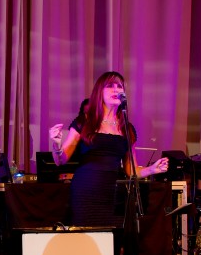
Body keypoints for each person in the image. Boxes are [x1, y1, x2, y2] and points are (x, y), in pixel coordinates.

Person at [49, 71, 168, 227]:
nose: (116, 90)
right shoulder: (84, 122)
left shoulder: (127, 128)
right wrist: (56, 144)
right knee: (87, 240)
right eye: (110, 86)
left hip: (114, 191)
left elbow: (131, 170)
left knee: (112, 241)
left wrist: (151, 170)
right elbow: (60, 160)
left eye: (119, 86)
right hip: (86, 189)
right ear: (100, 92)